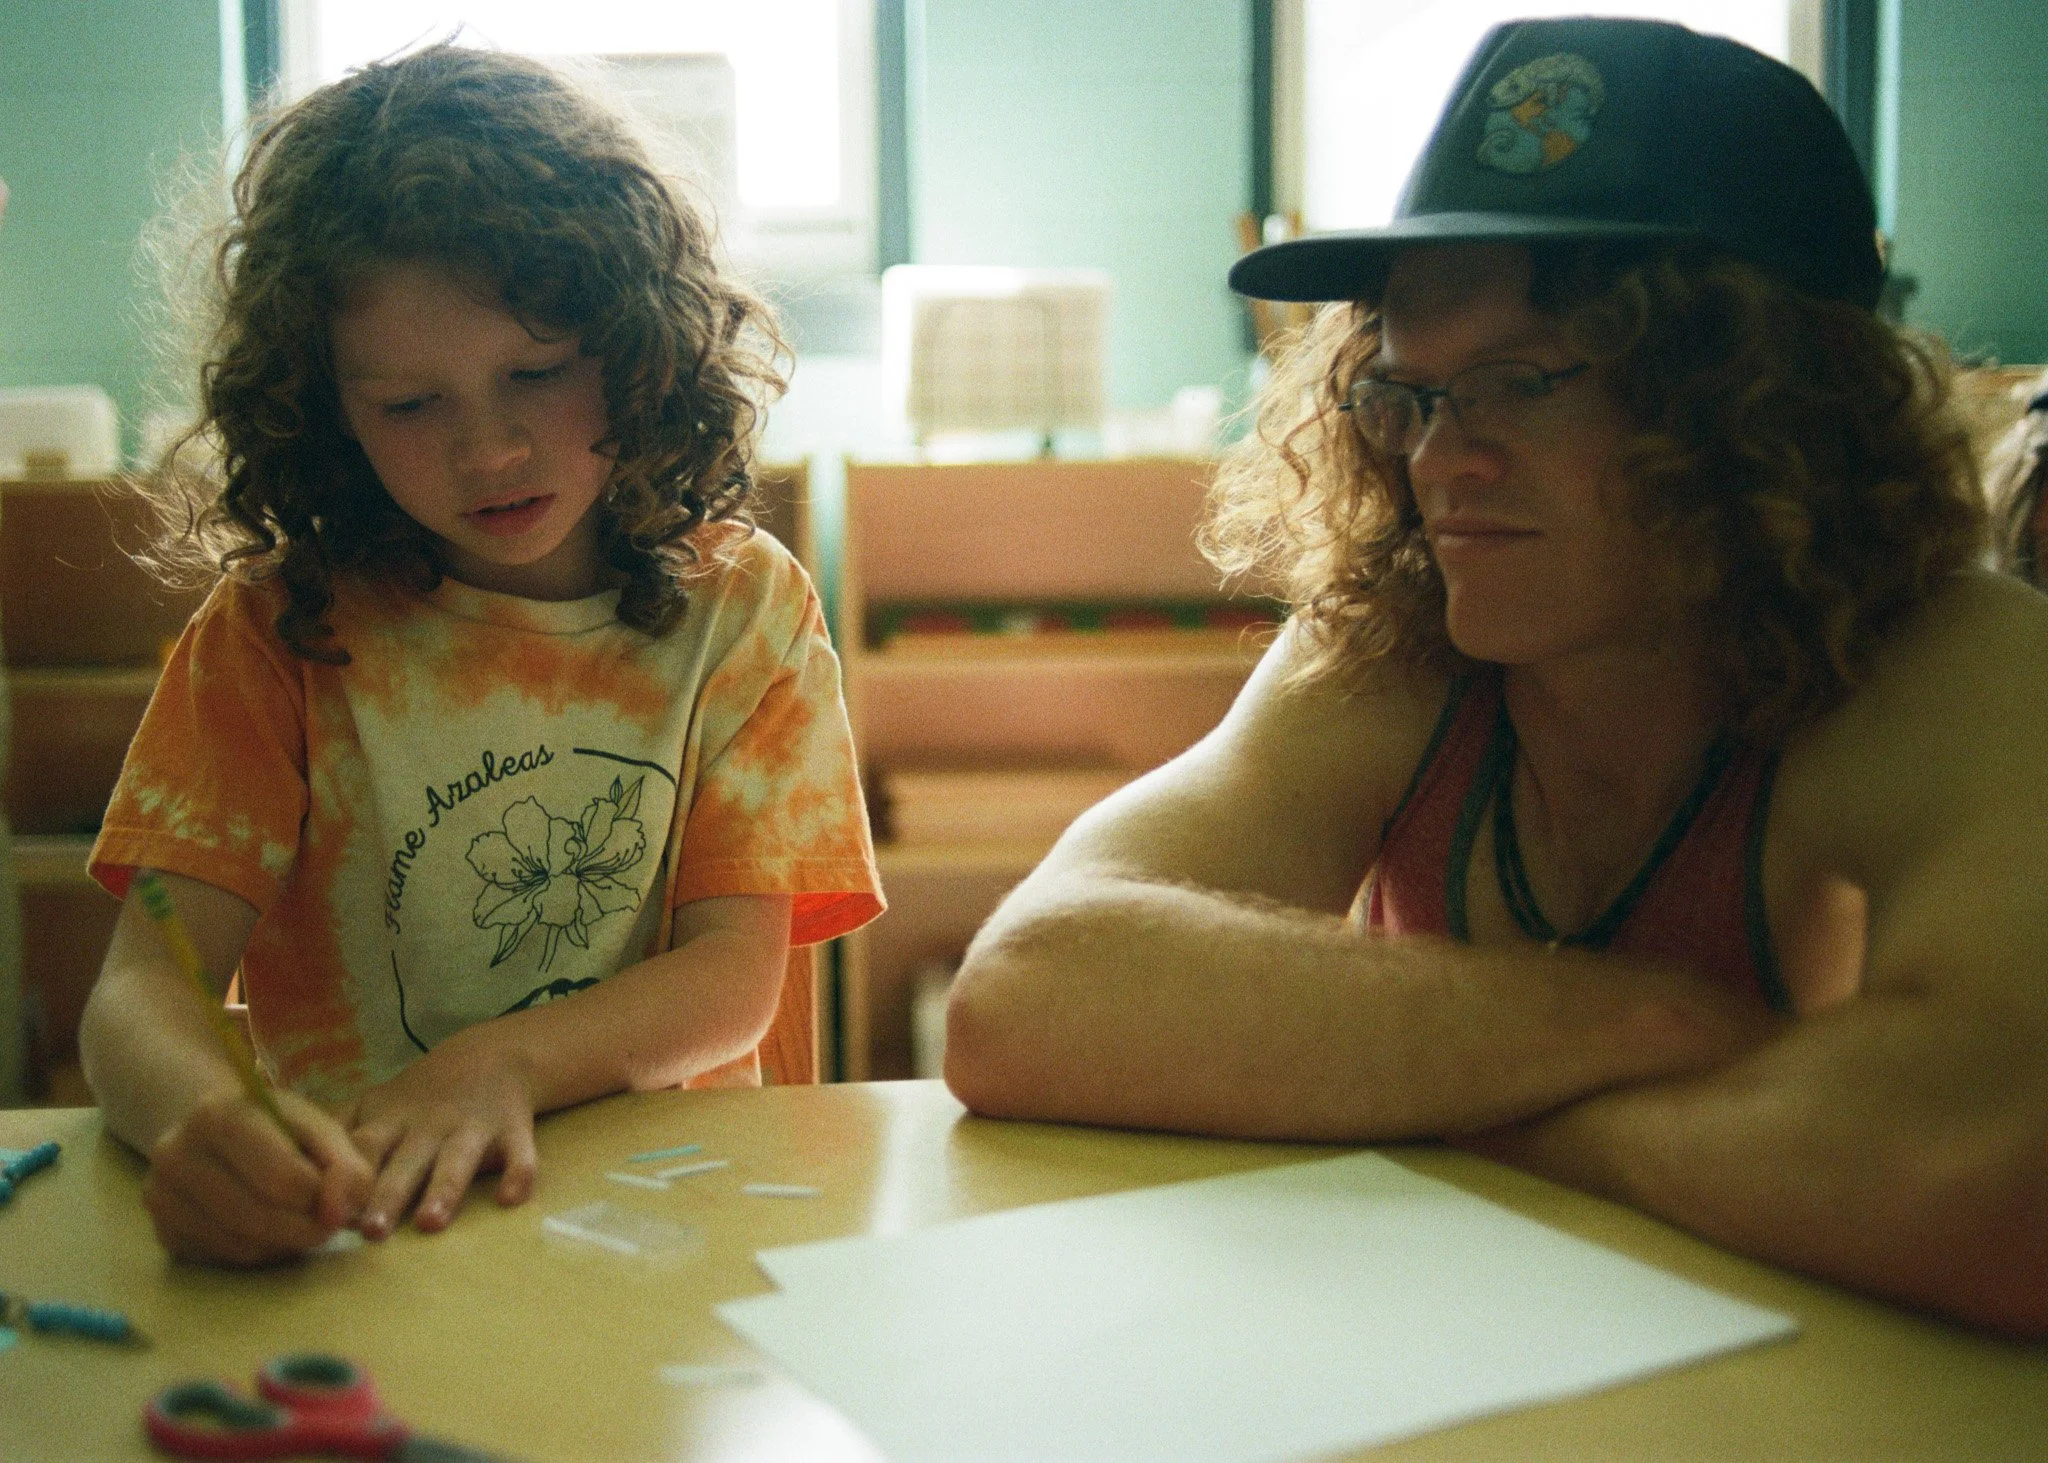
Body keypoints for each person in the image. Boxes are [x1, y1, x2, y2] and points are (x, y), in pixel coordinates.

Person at [944, 17, 2048, 1337]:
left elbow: (1997, 1182)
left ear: (1757, 397)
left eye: (1524, 382)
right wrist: (1644, 1021)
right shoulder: (1402, 643)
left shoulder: (1955, 663)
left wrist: (1473, 1091)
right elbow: (1032, 992)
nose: (1441, 459)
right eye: (1415, 394)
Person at [78, 45, 882, 1267]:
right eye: (410, 404)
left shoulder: (745, 608)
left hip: (685, 1224)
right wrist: (200, 1116)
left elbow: (733, 979)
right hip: (379, 1233)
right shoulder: (276, 635)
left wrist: (496, 1062)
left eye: (536, 373)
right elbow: (148, 984)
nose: (489, 449)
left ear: (635, 345)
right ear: (324, 410)